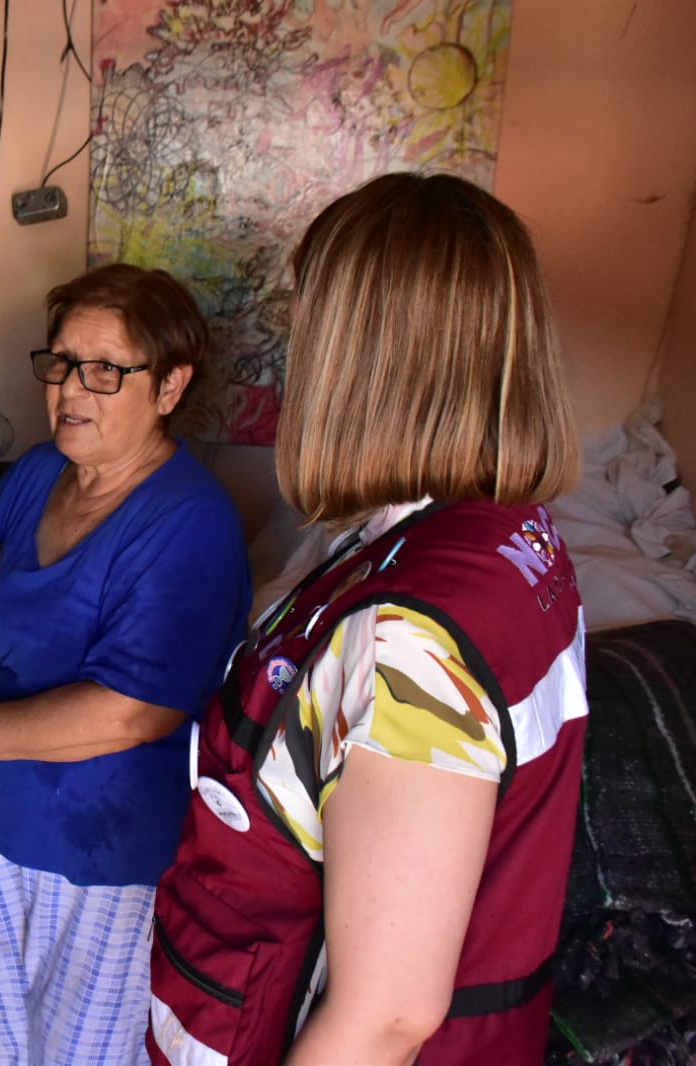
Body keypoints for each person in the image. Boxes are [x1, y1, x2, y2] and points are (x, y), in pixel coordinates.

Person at [147, 172, 587, 1066]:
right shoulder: (502, 535)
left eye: (308, 331)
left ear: (365, 361)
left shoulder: (411, 638)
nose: (293, 359)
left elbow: (385, 1015)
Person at [0, 263, 252, 1065]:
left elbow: (132, 709)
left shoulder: (188, 523)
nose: (69, 390)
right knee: (11, 1052)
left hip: (105, 853)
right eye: (59, 364)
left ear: (169, 386)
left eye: (104, 370)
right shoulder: (40, 477)